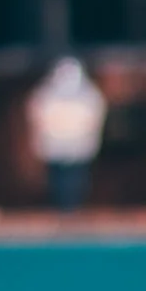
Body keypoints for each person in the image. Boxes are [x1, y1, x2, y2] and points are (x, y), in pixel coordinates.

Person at [27, 57, 106, 211]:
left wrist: (90, 142)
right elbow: (37, 117)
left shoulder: (88, 95)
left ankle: (75, 210)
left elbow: (95, 120)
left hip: (79, 149)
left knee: (77, 182)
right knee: (57, 183)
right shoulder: (46, 94)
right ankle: (59, 210)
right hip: (54, 148)